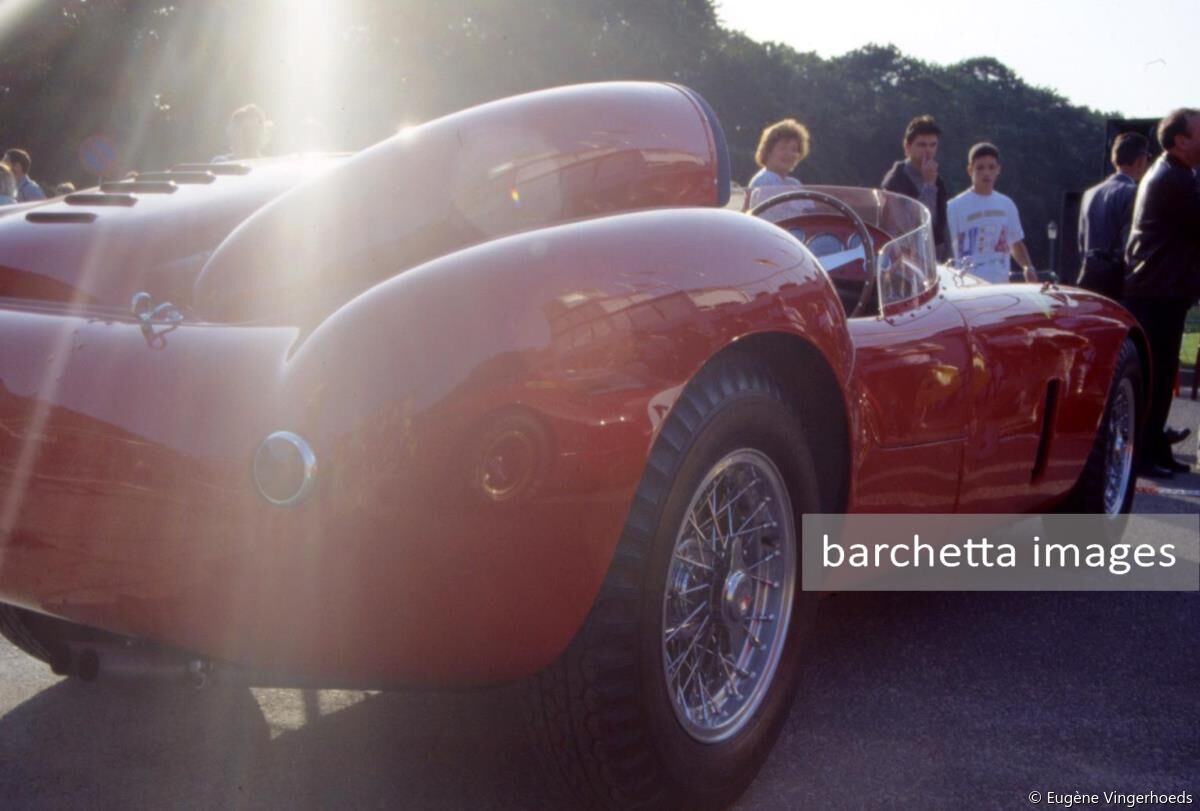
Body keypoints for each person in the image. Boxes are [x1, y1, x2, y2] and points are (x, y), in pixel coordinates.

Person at [1122, 108, 1200, 476]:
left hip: (1159, 288)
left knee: (1162, 370)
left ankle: (1154, 448)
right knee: (1156, 373)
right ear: (1181, 141)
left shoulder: (1174, 173)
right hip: (1158, 291)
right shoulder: (1175, 179)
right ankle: (1145, 454)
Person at [946, 143, 1037, 283]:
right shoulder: (954, 207)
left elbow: (1015, 242)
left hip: (999, 286)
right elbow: (944, 249)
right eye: (980, 168)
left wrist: (1028, 268)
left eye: (991, 167)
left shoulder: (1007, 204)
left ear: (998, 169)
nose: (986, 173)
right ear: (970, 170)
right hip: (966, 287)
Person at [1076, 132, 1151, 299]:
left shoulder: (1090, 193)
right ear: (1141, 160)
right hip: (1118, 284)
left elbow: (1082, 240)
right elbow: (1131, 245)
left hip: (1090, 278)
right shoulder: (1133, 193)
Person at [881, 115, 949, 259]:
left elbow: (940, 229)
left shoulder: (938, 181)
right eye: (922, 145)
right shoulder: (895, 181)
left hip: (932, 262)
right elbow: (912, 226)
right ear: (907, 146)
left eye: (933, 145)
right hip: (903, 260)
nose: (928, 151)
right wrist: (929, 186)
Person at [747, 118, 809, 189]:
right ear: (768, 151)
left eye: (794, 149)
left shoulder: (794, 183)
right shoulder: (764, 180)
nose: (788, 154)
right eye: (783, 148)